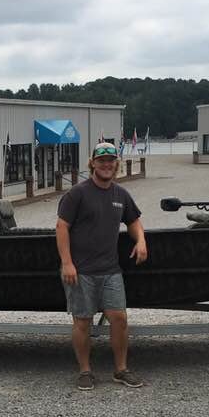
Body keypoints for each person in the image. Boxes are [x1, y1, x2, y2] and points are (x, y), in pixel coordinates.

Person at [56, 141, 148, 390]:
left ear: (115, 164)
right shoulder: (77, 194)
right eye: (102, 160)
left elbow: (134, 221)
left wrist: (140, 241)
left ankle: (121, 369)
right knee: (82, 321)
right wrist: (67, 263)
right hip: (80, 270)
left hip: (110, 270)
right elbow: (61, 227)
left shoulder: (121, 195)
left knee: (119, 318)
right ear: (93, 163)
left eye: (111, 160)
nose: (106, 164)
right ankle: (85, 371)